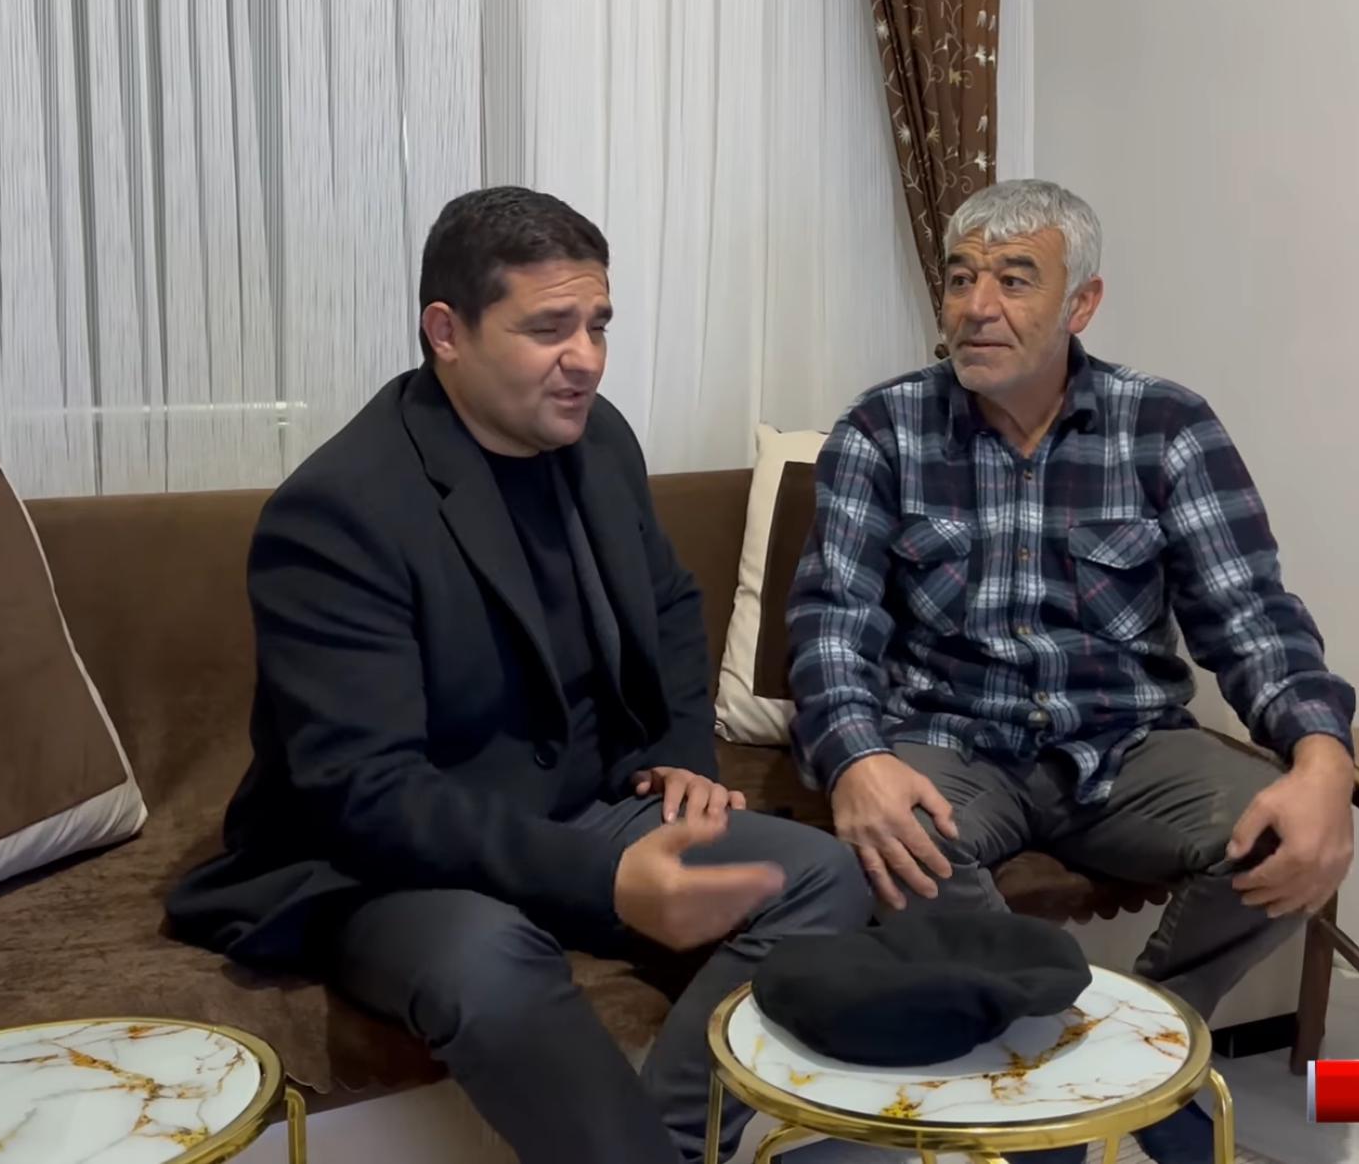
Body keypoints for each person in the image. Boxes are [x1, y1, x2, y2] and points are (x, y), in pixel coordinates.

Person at [168, 186, 871, 1164]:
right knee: (488, 960)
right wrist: (606, 877)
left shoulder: (598, 436)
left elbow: (670, 603)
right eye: (548, 328)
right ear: (446, 332)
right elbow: (366, 793)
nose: (585, 357)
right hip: (386, 863)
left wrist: (680, 751)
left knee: (821, 876)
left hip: (588, 801)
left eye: (597, 324)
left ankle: (670, 1142)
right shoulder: (338, 511)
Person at [784, 179, 1358, 1164]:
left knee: (1285, 830)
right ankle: (1047, 1069)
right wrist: (854, 758)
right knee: (896, 839)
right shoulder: (883, 431)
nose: (976, 306)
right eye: (959, 279)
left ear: (1080, 304)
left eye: (1014, 280)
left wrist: (1321, 756)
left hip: (1126, 744)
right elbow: (831, 624)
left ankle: (1132, 1056)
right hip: (952, 738)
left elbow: (1249, 615)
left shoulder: (1165, 426)